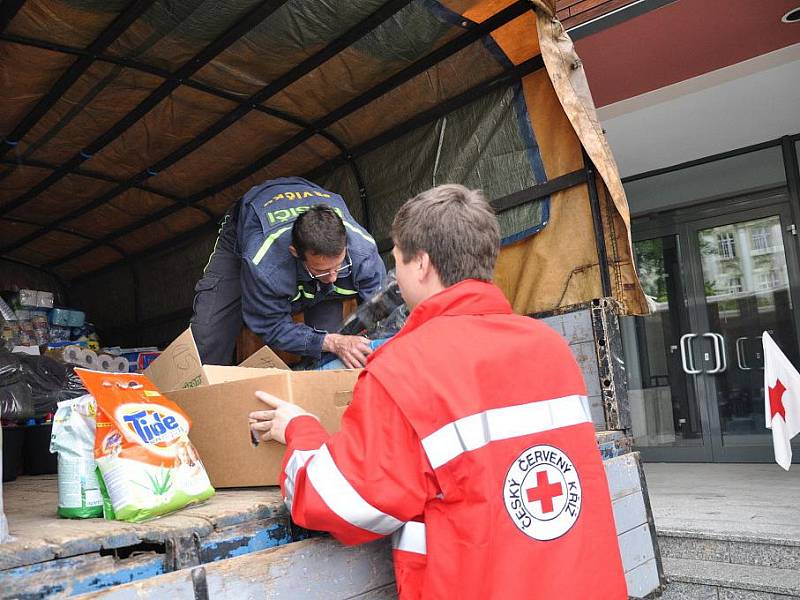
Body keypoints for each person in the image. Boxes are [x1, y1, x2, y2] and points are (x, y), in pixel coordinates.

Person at [248, 184, 627, 599]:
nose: (394, 277)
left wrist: (300, 429)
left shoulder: (405, 369)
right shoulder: (552, 348)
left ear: (422, 264)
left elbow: (338, 504)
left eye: (397, 263)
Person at [190, 176, 386, 368]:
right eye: (322, 270)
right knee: (210, 337)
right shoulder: (264, 264)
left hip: (307, 213)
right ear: (295, 253)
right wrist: (332, 342)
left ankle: (315, 384)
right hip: (246, 231)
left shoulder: (363, 251)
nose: (333, 277)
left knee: (329, 349)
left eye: (339, 266)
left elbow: (385, 307)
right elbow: (270, 325)